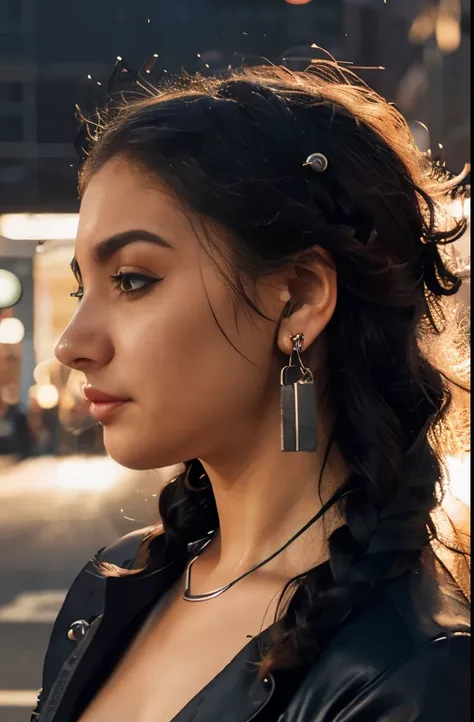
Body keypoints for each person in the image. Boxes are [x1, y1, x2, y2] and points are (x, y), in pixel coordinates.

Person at [34, 63, 470, 722]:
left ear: (297, 298)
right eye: (80, 287)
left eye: (130, 280)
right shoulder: (114, 586)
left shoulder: (411, 671)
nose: (71, 344)